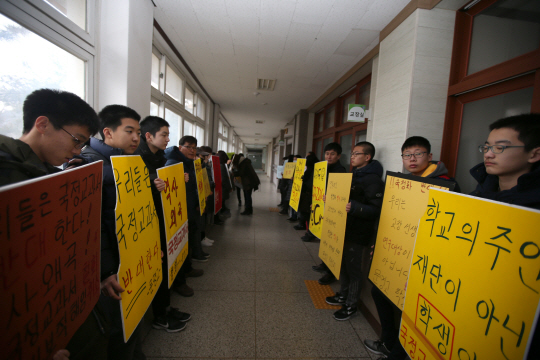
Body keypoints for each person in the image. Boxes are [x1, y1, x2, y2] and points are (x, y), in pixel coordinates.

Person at [0, 89, 108, 360]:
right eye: (76, 140)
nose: (77, 150)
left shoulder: (52, 177)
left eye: (83, 144)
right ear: (42, 124)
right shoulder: (9, 177)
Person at [364, 135, 460, 360]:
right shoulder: (402, 183)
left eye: (418, 154)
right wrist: (379, 244)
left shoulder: (447, 184)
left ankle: (399, 352)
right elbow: (390, 217)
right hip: (395, 253)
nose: (412, 159)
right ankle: (388, 342)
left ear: (430, 156)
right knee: (380, 291)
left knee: (409, 309)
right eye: (407, 155)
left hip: (424, 260)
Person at [73, 104, 146, 360]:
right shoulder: (87, 165)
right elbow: (91, 228)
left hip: (127, 260)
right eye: (130, 131)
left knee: (130, 321)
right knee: (115, 329)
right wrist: (104, 270)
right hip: (108, 270)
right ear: (108, 132)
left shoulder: (128, 164)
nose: (136, 137)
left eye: (138, 131)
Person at [471, 113, 540, 360]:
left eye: (500, 148)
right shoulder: (473, 197)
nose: (488, 154)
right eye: (487, 147)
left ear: (534, 154)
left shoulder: (534, 213)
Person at [135, 116, 191, 332]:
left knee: (164, 264)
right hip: (146, 224)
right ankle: (160, 315)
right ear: (149, 136)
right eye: (164, 135)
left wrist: (178, 179)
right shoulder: (135, 158)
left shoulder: (159, 156)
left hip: (161, 220)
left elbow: (164, 184)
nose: (168, 139)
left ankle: (164, 309)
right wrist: (151, 182)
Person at [324, 142, 384, 320]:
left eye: (357, 154)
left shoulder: (373, 180)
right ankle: (343, 294)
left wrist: (355, 207)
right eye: (352, 153)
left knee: (354, 269)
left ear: (367, 157)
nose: (352, 157)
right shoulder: (353, 175)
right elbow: (344, 199)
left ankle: (351, 305)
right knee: (342, 264)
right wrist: (332, 198)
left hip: (359, 231)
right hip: (344, 227)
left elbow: (377, 209)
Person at [164, 136, 209, 265]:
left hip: (190, 203)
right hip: (182, 207)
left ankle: (196, 253)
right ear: (180, 147)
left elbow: (195, 184)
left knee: (194, 229)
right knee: (186, 235)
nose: (192, 150)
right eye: (188, 147)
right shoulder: (173, 163)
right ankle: (190, 260)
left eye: (194, 148)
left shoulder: (189, 163)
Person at [313, 142, 347, 285]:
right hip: (322, 207)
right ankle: (324, 263)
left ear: (338, 156)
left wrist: (331, 197)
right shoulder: (323, 168)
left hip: (334, 211)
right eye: (327, 153)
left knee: (332, 241)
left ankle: (330, 272)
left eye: (333, 154)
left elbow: (341, 194)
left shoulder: (340, 171)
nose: (329, 156)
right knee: (324, 238)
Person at [296, 153, 319, 232]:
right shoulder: (313, 170)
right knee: (306, 213)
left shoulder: (311, 171)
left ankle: (309, 231)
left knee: (307, 214)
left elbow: (309, 184)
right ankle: (306, 228)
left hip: (308, 196)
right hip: (308, 195)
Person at [217, 150, 233, 217]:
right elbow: (224, 179)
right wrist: (229, 188)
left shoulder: (218, 165)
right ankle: (222, 214)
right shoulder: (222, 166)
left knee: (222, 202)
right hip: (222, 188)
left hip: (221, 188)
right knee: (222, 202)